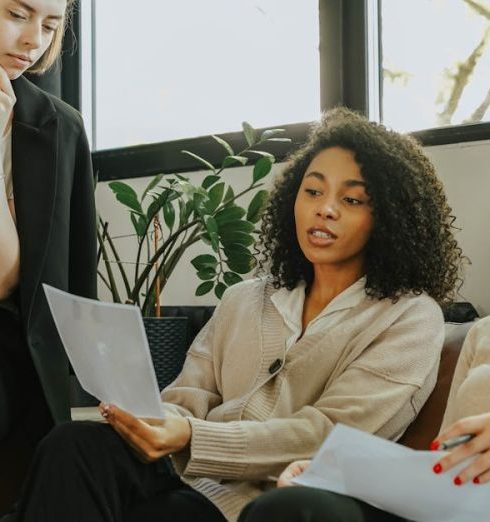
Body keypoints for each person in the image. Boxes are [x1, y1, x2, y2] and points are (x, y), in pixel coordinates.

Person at [6, 107, 462, 522]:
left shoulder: (409, 317)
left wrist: (190, 437)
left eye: (353, 200)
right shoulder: (245, 298)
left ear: (391, 219)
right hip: (185, 477)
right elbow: (190, 396)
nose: (324, 208)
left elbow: (327, 436)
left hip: (273, 496)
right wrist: (148, 418)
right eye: (313, 190)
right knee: (75, 445)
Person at [238, 317, 490, 522]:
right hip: (453, 513)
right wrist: (333, 472)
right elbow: (444, 468)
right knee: (291, 507)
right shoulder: (483, 332)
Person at [0, 0, 96, 504]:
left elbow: (81, 271)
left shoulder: (62, 126)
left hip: (33, 366)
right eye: (18, 15)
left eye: (50, 24)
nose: (34, 39)